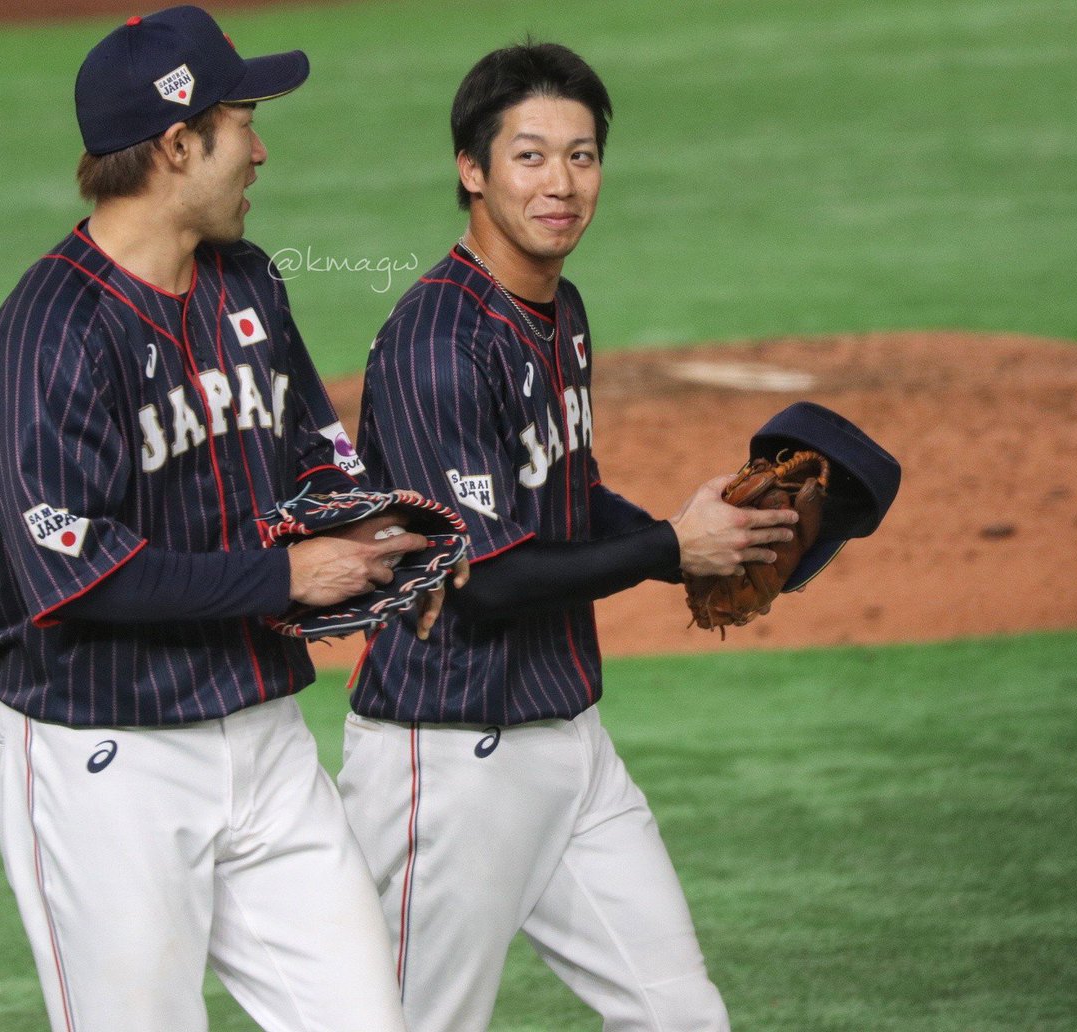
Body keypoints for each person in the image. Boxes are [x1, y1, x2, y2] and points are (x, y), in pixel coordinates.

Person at [0, 7, 440, 1030]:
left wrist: (392, 543)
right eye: (242, 122)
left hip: (265, 741)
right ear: (179, 145)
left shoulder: (248, 282)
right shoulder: (48, 336)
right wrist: (287, 579)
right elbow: (77, 574)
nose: (261, 149)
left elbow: (317, 461)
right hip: (108, 761)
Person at [337, 42, 800, 1032]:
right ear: (472, 168)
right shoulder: (436, 346)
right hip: (450, 759)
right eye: (532, 156)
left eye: (583, 157)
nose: (562, 184)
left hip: (571, 746)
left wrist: (703, 536)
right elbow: (484, 577)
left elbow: (565, 491)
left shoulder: (559, 310)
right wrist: (670, 550)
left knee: (683, 1018)